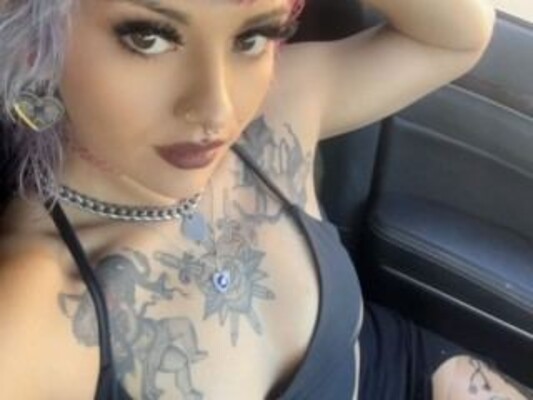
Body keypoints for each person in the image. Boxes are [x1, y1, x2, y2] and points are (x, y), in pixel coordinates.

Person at [0, 0, 531, 399]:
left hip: (398, 371)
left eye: (252, 36)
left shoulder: (279, 108)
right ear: (33, 38)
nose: (218, 109)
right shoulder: (39, 308)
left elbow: (458, 36)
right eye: (149, 39)